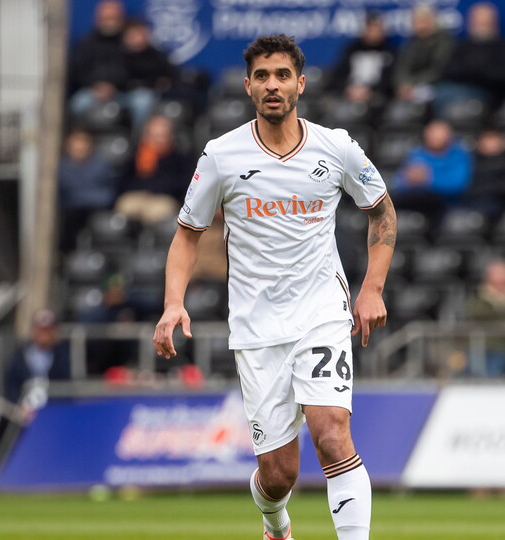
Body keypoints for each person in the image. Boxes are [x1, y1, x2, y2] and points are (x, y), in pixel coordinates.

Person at [153, 35, 395, 540]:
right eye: (262, 76)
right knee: (278, 473)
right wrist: (173, 303)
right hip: (257, 327)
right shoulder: (221, 156)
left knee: (332, 433)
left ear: (300, 84)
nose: (272, 85)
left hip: (322, 311)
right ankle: (274, 523)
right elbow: (186, 234)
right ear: (247, 87)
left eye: (282, 75)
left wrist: (372, 288)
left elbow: (382, 211)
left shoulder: (336, 147)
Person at [433, 2, 505, 119]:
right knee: (439, 93)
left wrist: (472, 73)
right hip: (457, 89)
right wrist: (475, 72)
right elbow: (447, 71)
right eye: (477, 21)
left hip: (487, 94)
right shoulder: (463, 45)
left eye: (485, 22)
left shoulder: (502, 48)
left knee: (446, 95)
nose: (480, 25)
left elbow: (503, 77)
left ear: (493, 22)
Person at [115, 115, 193, 225]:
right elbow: (123, 183)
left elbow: (184, 186)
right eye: (153, 136)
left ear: (170, 137)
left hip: (164, 198)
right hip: (138, 196)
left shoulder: (180, 158)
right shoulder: (137, 155)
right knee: (125, 206)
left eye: (162, 136)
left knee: (155, 212)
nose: (157, 140)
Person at [392, 119, 472, 224]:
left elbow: (459, 185)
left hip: (444, 204)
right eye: (432, 134)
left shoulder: (459, 155)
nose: (435, 137)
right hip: (414, 200)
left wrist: (428, 179)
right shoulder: (416, 154)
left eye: (440, 134)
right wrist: (408, 180)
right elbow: (398, 181)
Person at [464, 259, 505, 377]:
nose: (499, 280)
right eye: (495, 275)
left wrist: (495, 311)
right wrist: (500, 310)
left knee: (493, 373)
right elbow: (474, 312)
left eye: (503, 275)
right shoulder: (479, 297)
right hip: (479, 346)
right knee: (469, 373)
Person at [57, 128, 117, 250]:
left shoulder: (101, 165)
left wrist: (81, 197)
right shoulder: (61, 168)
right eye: (76, 143)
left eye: (83, 142)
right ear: (68, 145)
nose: (80, 147)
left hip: (97, 210)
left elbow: (107, 195)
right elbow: (67, 194)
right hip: (71, 213)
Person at [326, 12, 395, 104]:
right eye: (370, 28)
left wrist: (370, 90)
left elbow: (390, 80)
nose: (374, 32)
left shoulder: (389, 52)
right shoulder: (351, 50)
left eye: (377, 28)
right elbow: (339, 74)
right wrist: (348, 89)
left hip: (375, 96)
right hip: (349, 93)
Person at [392, 4, 454, 104]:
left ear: (433, 21)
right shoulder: (410, 43)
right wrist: (404, 84)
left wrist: (413, 84)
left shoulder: (444, 41)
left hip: (434, 86)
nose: (420, 24)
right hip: (409, 88)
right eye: (416, 21)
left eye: (423, 20)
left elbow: (438, 69)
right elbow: (401, 68)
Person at [460, 128, 505, 219]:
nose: (491, 145)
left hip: (504, 204)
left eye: (494, 141)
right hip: (474, 203)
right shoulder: (472, 162)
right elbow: (466, 185)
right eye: (487, 141)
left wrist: (492, 189)